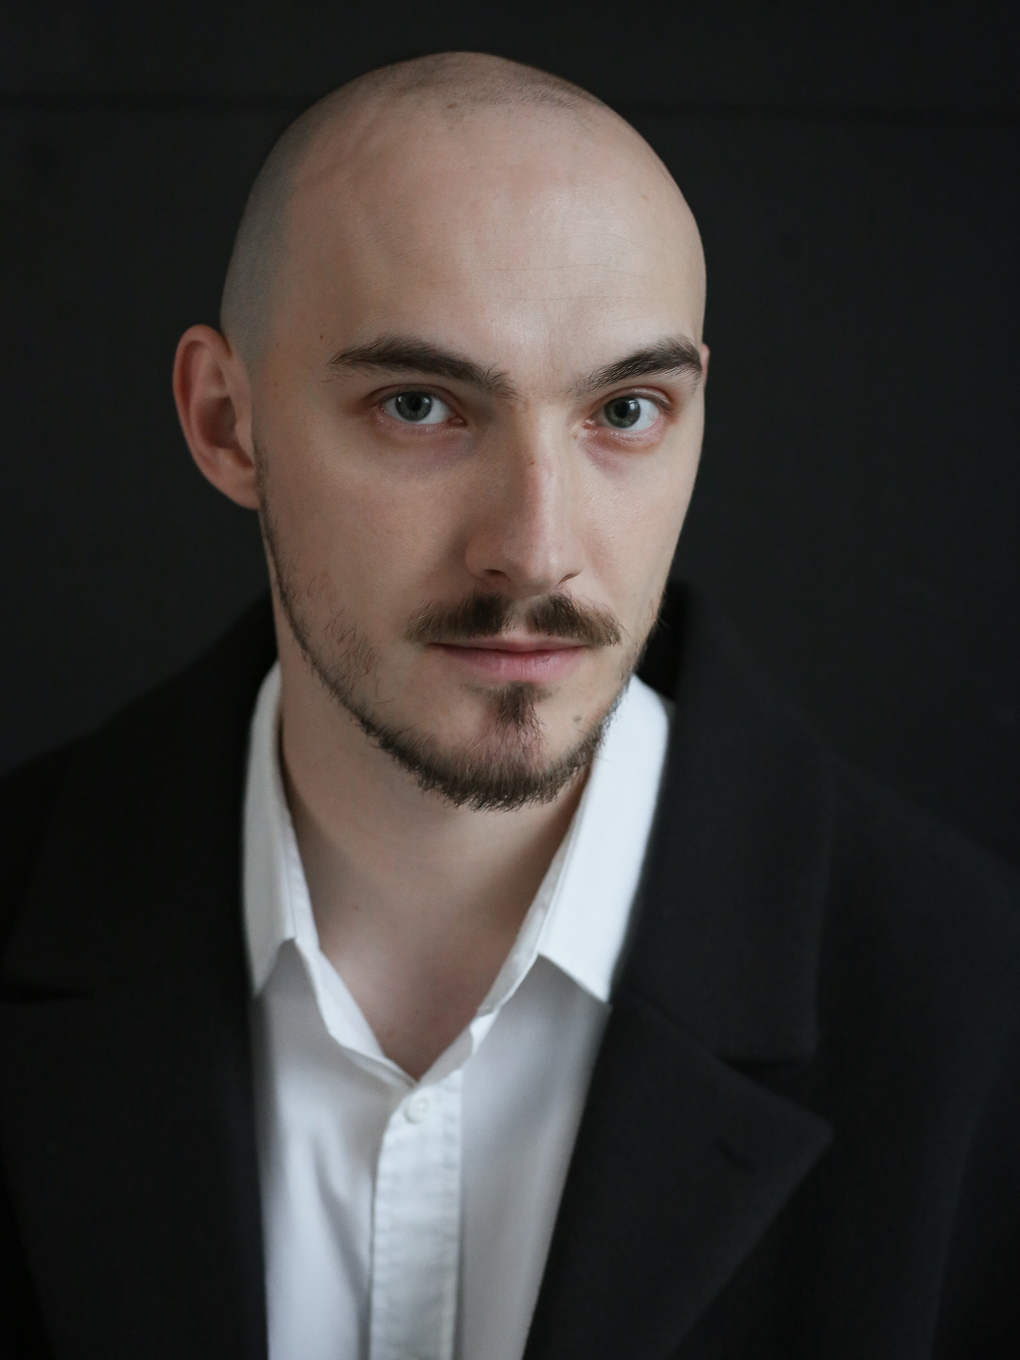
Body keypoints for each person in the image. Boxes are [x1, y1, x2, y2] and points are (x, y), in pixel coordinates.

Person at [1, 50, 1017, 1360]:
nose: (537, 553)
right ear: (225, 421)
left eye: (626, 410)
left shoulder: (975, 1017)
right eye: (421, 406)